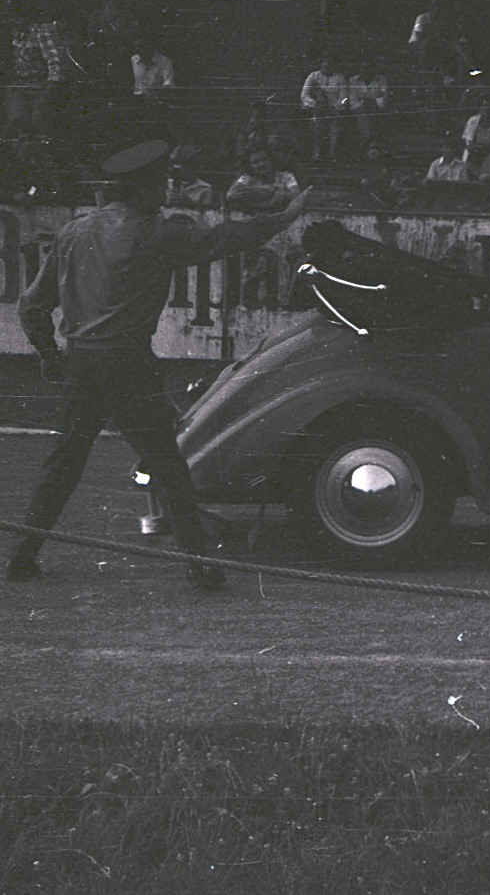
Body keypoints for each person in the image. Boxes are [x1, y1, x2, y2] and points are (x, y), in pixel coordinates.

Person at [7, 140, 311, 588]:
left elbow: (31, 306)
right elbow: (227, 239)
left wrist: (50, 357)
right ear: (144, 187)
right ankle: (201, 569)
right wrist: (286, 217)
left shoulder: (73, 232)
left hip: (81, 364)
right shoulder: (158, 232)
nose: (166, 190)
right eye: (160, 183)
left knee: (63, 464)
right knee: (168, 467)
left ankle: (21, 559)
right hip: (128, 363)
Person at [224, 146, 302, 214]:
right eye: (256, 162)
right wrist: (265, 191)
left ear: (271, 159)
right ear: (250, 165)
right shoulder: (247, 178)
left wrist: (278, 193)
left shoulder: (286, 176)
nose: (262, 164)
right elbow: (230, 195)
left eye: (265, 159)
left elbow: (297, 195)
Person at [300, 56, 348, 159]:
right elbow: (304, 95)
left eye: (330, 65)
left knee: (335, 128)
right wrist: (315, 104)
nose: (327, 67)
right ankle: (316, 153)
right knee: (317, 125)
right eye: (325, 65)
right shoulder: (313, 76)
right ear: (321, 65)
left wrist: (335, 107)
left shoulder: (340, 78)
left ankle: (332, 154)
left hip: (334, 109)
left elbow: (344, 98)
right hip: (317, 109)